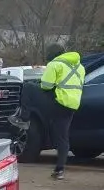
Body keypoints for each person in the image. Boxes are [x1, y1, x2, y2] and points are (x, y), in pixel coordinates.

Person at [9, 44, 85, 180]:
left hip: (57, 103)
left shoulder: (55, 64)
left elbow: (46, 86)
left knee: (28, 87)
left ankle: (23, 119)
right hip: (72, 105)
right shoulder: (80, 67)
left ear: (52, 55)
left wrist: (41, 83)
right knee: (62, 137)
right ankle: (59, 170)